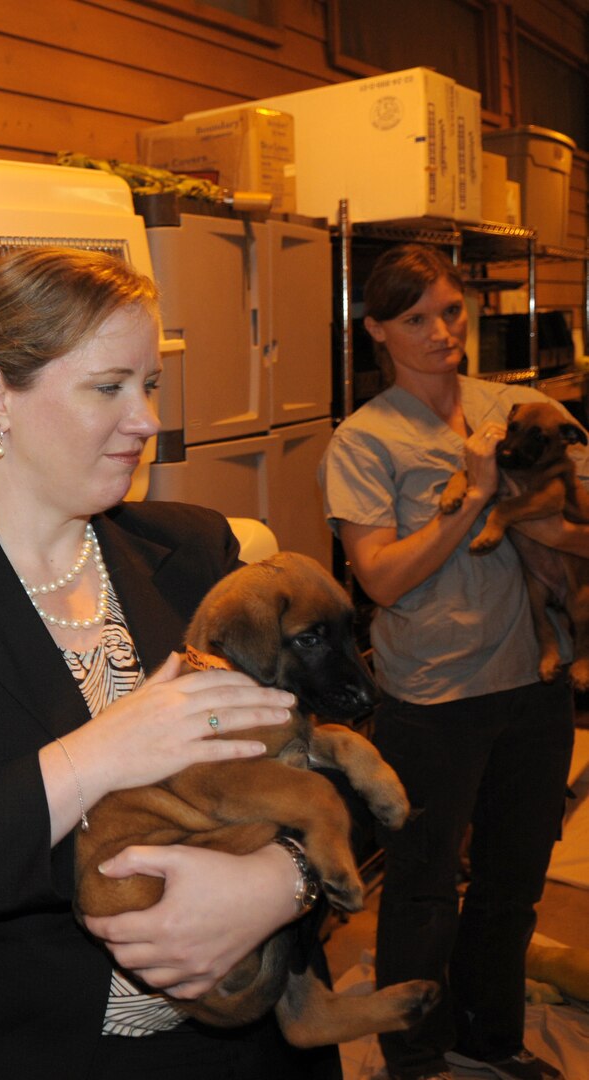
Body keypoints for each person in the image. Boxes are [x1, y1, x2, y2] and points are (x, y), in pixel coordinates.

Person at [0, 247, 339, 1079]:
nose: (147, 417)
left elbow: (348, 761)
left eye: (149, 384)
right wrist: (99, 755)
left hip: (236, 1049)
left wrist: (284, 881)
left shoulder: (195, 551)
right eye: (108, 386)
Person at [320, 243, 576, 1080]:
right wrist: (472, 497)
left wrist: (553, 525)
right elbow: (383, 578)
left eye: (452, 312)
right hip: (434, 694)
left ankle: (489, 1035)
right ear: (377, 331)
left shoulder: (519, 404)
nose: (441, 333)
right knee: (425, 889)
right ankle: (415, 1053)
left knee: (512, 880)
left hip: (535, 686)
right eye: (416, 320)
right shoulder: (363, 442)